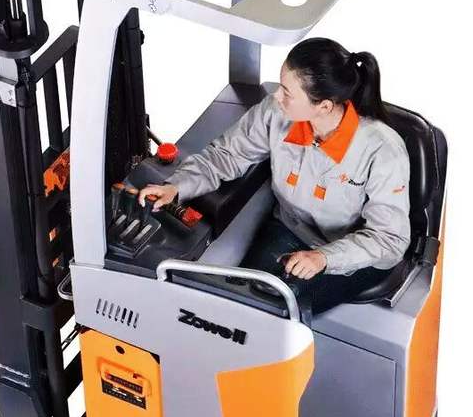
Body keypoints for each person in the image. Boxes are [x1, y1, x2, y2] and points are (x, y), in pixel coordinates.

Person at [138, 37, 411, 316]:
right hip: (290, 229)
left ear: (324, 106)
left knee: (278, 313)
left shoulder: (382, 150)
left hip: (353, 256)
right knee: (237, 301)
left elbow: (389, 239)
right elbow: (227, 156)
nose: (277, 96)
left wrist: (324, 258)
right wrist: (176, 187)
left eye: (287, 92)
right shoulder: (275, 112)